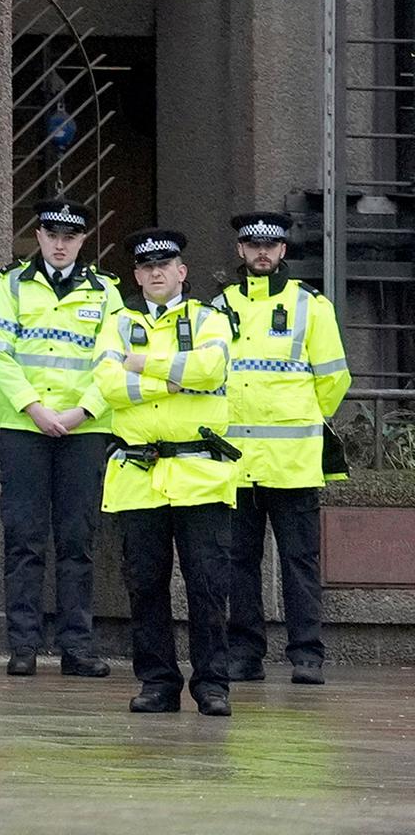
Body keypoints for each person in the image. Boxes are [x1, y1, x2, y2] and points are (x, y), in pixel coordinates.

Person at [73, 228, 237, 717]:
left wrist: (144, 364)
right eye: (146, 267)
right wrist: (174, 382)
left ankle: (212, 684)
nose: (155, 273)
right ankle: (158, 683)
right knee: (144, 586)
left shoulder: (210, 318)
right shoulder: (117, 321)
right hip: (138, 474)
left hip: (200, 472)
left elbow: (212, 370)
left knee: (207, 585)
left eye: (164, 265)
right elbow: (106, 382)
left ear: (181, 272)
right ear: (137, 275)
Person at [0, 195, 114, 679]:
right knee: (23, 538)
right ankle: (23, 646)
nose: (60, 245)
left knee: (78, 539)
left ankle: (77, 647)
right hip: (24, 427)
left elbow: (112, 363)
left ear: (83, 240)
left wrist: (80, 412)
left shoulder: (105, 292)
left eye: (70, 237)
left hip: (84, 429)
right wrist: (35, 408)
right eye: (52, 235)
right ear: (38, 236)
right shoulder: (11, 285)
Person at [215, 208, 346, 685]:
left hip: (292, 461)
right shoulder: (220, 305)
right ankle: (245, 654)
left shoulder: (312, 305)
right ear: (241, 251)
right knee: (238, 565)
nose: (262, 253)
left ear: (283, 251)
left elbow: (334, 379)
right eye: (254, 246)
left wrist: (300, 419)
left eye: (270, 246)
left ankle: (307, 654)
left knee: (300, 561)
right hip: (236, 462)